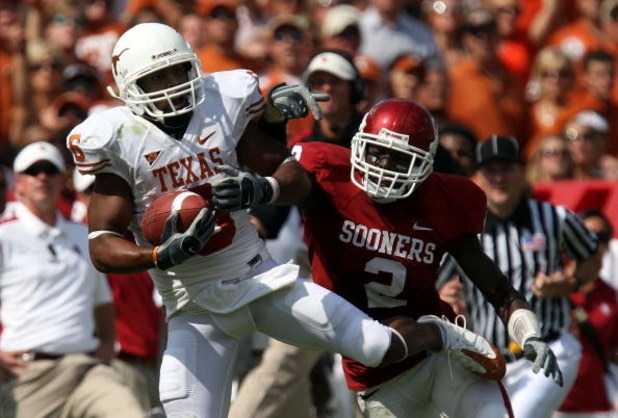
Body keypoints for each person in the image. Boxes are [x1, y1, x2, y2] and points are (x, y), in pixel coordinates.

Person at [65, 23, 499, 418]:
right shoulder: (118, 139)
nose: (169, 87)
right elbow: (102, 243)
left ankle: (440, 334)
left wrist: (260, 187)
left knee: (376, 345)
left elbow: (289, 171)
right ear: (127, 87)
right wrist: (159, 253)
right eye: (154, 79)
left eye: (176, 72)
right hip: (193, 308)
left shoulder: (221, 102)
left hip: (259, 280)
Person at [291, 98, 563, 418]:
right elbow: (281, 183)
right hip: (378, 375)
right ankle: (440, 332)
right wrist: (259, 189)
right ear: (360, 144)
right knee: (375, 345)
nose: (383, 167)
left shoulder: (445, 200)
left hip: (444, 360)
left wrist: (529, 333)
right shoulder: (329, 175)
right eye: (377, 152)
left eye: (398, 159)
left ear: (424, 165)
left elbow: (497, 288)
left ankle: (442, 334)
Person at [439, 134, 600, 418]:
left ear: (523, 172)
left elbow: (591, 253)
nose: (499, 177)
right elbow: (437, 281)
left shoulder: (554, 218)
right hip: (488, 362)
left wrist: (571, 282)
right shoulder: (465, 229)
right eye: (491, 170)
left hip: (550, 349)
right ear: (478, 175)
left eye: (507, 168)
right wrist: (443, 296)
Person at [0, 141, 143, 418]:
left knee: (132, 413)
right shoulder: (4, 236)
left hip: (87, 368)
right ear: (18, 182)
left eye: (50, 170)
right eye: (33, 171)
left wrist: (106, 345)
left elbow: (102, 300)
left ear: (61, 180)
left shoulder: (83, 234)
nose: (42, 176)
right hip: (29, 374)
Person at [556, 208, 618, 417]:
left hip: (597, 407)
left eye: (601, 237)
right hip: (551, 403)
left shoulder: (611, 295)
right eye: (586, 235)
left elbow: (614, 351)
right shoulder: (549, 286)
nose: (594, 243)